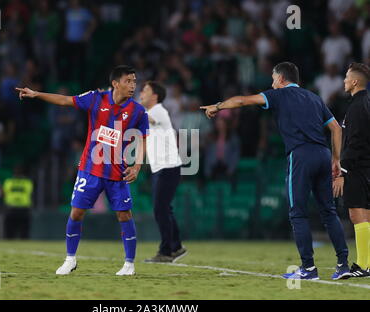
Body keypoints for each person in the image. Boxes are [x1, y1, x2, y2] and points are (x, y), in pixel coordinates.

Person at [200, 62, 350, 280]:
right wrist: (336, 159)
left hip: (300, 155)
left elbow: (242, 100)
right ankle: (343, 265)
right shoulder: (315, 98)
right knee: (329, 212)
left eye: (273, 78)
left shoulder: (278, 95)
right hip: (323, 154)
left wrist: (218, 106)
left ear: (281, 79)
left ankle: (308, 268)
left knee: (298, 213)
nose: (271, 83)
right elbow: (336, 128)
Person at [16, 65, 149, 276]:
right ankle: (70, 259)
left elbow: (142, 139)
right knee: (76, 212)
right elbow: (65, 100)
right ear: (115, 83)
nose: (133, 85)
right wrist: (36, 94)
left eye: (134, 81)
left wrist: (137, 165)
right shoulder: (96, 98)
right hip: (90, 169)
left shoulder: (138, 111)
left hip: (117, 172)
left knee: (124, 215)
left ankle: (129, 264)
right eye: (128, 81)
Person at [139, 81, 186, 263]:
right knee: (165, 209)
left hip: (168, 168)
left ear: (155, 96)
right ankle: (176, 247)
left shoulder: (158, 110)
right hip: (163, 168)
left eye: (145, 90)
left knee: (160, 209)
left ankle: (166, 252)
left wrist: (127, 105)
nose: (141, 92)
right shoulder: (152, 112)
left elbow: (147, 119)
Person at [333, 62, 370, 278]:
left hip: (356, 169)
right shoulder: (367, 103)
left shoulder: (356, 107)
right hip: (367, 168)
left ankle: (363, 265)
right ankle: (366, 264)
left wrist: (342, 173)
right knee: (366, 215)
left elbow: (353, 143)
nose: (344, 81)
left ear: (355, 81)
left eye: (347, 77)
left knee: (357, 214)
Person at [2, 165, 34, 239]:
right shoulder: (10, 181)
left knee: (23, 233)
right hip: (13, 208)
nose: (18, 172)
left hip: (21, 208)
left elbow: (4, 193)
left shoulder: (10, 182)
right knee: (10, 233)